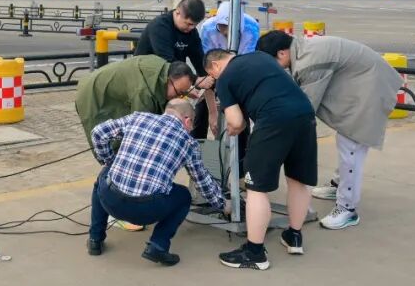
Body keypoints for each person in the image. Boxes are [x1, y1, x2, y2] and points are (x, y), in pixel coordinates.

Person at [256, 31, 402, 231]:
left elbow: (306, 108)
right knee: (346, 137)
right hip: (362, 81)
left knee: (350, 144)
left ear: (282, 53)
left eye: (271, 62)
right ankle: (338, 185)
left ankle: (347, 209)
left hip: (370, 85)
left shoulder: (309, 62)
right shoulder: (302, 50)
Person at [204, 48, 317, 270]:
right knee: (297, 179)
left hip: (273, 119)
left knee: (256, 187)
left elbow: (236, 122)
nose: (215, 79)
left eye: (212, 75)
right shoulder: (261, 56)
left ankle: (254, 252)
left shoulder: (225, 78)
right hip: (305, 114)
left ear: (215, 65)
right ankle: (294, 236)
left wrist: (235, 127)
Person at [87, 99, 228, 266]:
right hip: (147, 212)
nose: (190, 129)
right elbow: (202, 182)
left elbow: (98, 132)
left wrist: (110, 161)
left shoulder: (138, 117)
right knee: (184, 196)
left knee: (103, 177)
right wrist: (223, 205)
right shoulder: (189, 143)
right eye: (191, 125)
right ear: (187, 120)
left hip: (110, 200)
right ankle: (158, 246)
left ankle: (95, 239)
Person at [74, 55, 197, 146]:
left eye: (183, 93)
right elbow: (140, 130)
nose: (178, 97)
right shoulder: (144, 92)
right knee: (116, 145)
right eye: (179, 92)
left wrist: (184, 91)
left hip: (113, 89)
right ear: (168, 79)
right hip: (94, 94)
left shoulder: (161, 69)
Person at [134, 0, 210, 136]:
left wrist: (208, 78)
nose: (191, 28)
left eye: (194, 25)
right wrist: (193, 80)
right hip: (146, 82)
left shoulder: (191, 33)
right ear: (178, 12)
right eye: (188, 24)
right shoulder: (160, 27)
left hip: (170, 83)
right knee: (149, 126)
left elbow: (199, 60)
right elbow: (167, 62)